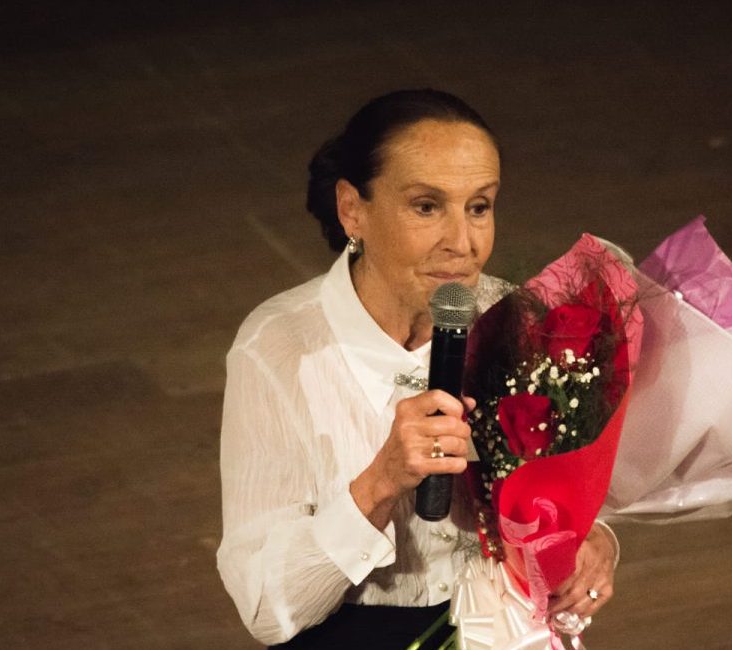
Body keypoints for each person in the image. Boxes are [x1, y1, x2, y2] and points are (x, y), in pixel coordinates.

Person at [216, 89, 620, 649]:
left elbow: (570, 494)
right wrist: (380, 483)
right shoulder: (280, 349)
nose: (462, 244)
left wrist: (593, 543)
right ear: (352, 208)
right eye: (426, 207)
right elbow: (267, 609)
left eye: (478, 207)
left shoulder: (520, 324)